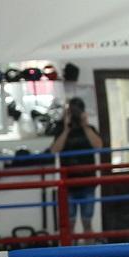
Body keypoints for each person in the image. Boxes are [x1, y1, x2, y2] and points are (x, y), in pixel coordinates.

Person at [50, 96, 105, 238]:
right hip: (68, 183)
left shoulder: (89, 129)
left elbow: (98, 146)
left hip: (87, 182)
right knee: (69, 224)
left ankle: (90, 252)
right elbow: (54, 150)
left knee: (87, 222)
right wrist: (66, 129)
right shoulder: (61, 130)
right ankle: (71, 252)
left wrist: (85, 125)